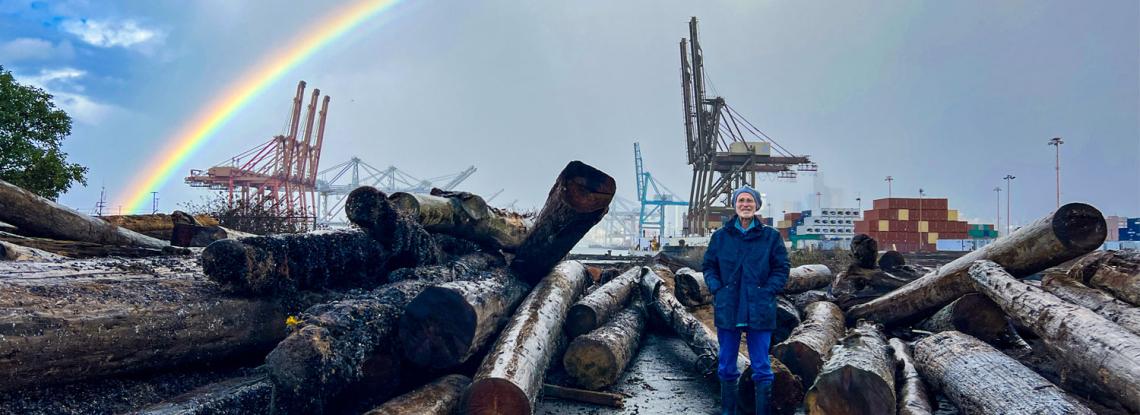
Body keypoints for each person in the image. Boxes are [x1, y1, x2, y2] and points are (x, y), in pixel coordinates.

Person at [702, 185, 790, 415]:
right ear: (735, 205)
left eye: (749, 200)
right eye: (741, 200)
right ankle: (728, 412)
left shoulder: (770, 237)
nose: (745, 204)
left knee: (762, 367)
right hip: (728, 307)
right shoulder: (721, 236)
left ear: (757, 205)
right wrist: (717, 288)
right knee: (727, 366)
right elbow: (709, 266)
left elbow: (782, 268)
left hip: (759, 308)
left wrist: (767, 290)